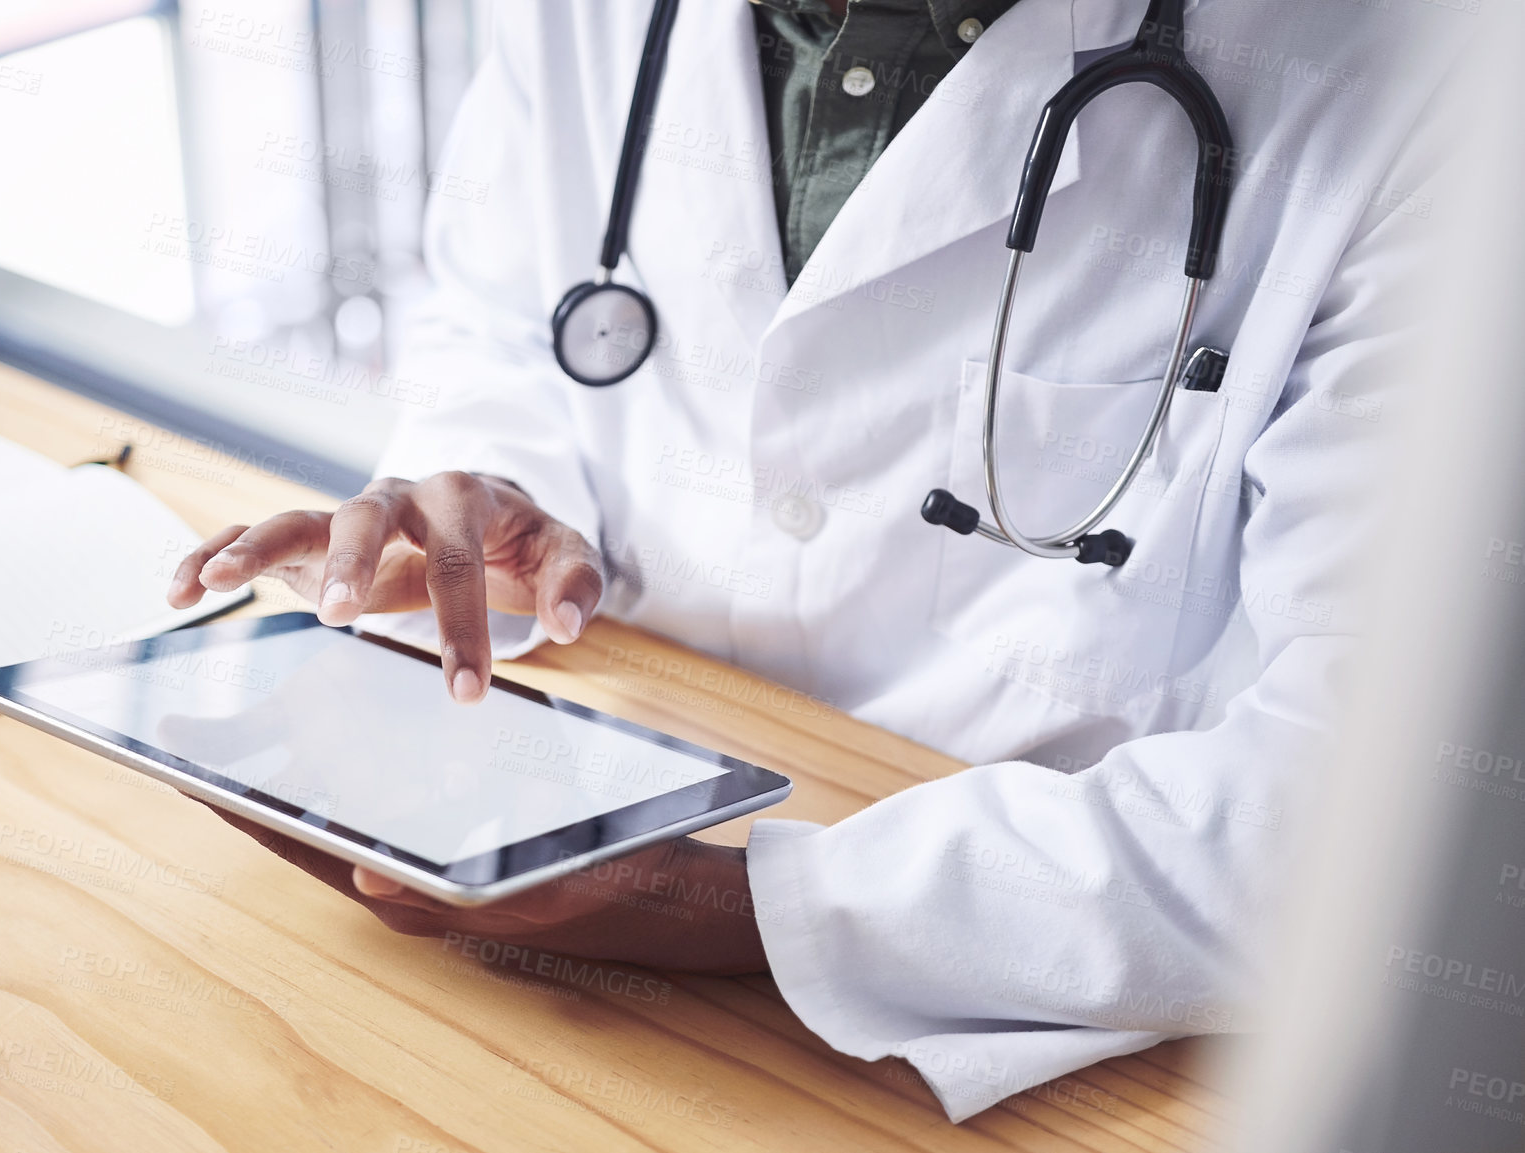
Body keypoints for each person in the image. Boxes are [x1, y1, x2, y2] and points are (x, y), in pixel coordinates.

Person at [167, 0, 1471, 1121]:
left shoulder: (1425, 86)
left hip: (1035, 1034)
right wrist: (501, 482)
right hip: (596, 805)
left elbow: (1384, 813)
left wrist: (759, 908)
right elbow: (502, 317)